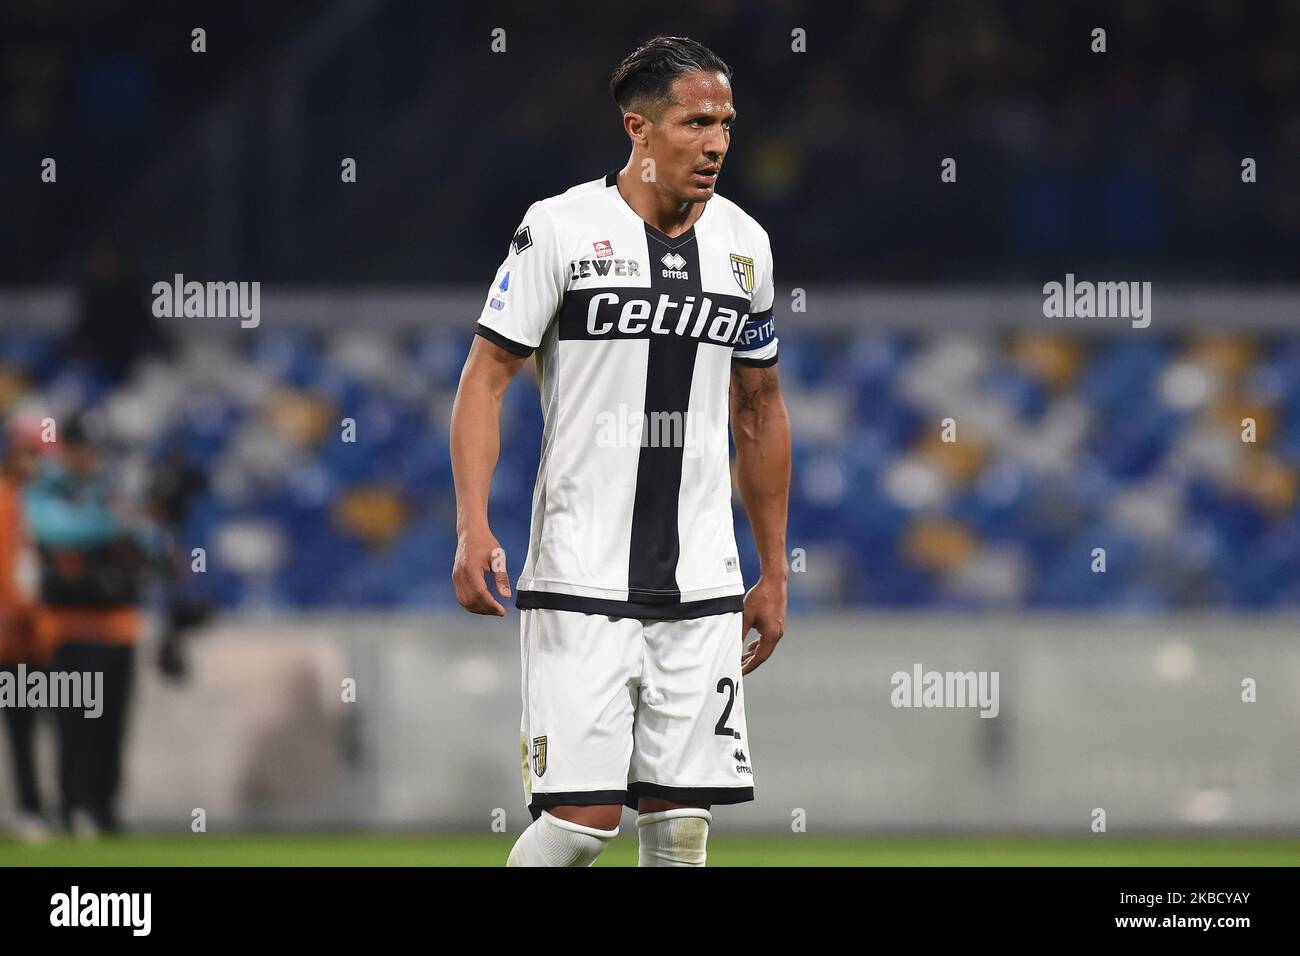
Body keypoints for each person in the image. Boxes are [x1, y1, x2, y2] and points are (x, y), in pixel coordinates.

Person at [450, 36, 791, 867]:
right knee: (579, 825)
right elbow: (486, 377)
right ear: (638, 128)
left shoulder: (746, 247)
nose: (715, 142)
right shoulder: (560, 228)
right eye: (694, 122)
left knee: (681, 832)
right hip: (581, 574)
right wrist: (471, 524)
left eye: (726, 124)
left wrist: (775, 568)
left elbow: (759, 406)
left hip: (703, 581)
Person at [25, 417, 143, 835]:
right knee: (74, 723)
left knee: (111, 725)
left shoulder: (107, 491)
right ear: (67, 449)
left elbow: (146, 538)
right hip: (67, 630)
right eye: (80, 447)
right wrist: (113, 525)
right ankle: (72, 806)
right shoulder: (48, 491)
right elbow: (54, 529)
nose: (87, 457)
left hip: (116, 629)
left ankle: (103, 807)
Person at [0, 415, 47, 840]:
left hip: (24, 640)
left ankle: (32, 808)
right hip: (9, 634)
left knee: (24, 725)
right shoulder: (5, 500)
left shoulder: (31, 502)